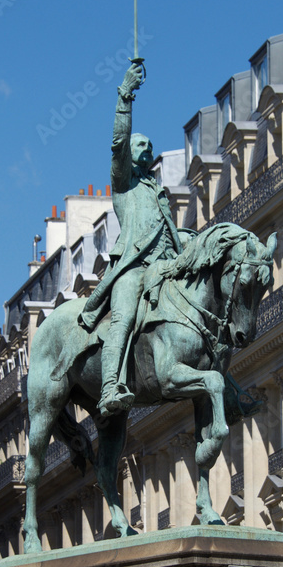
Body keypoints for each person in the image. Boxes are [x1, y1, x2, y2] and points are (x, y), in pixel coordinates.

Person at [79, 61, 183, 416]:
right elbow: (118, 142)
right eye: (141, 143)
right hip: (133, 267)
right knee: (122, 317)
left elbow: (171, 234)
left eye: (149, 144)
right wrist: (126, 96)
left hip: (167, 267)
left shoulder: (160, 192)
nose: (146, 146)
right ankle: (110, 386)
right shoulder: (125, 184)